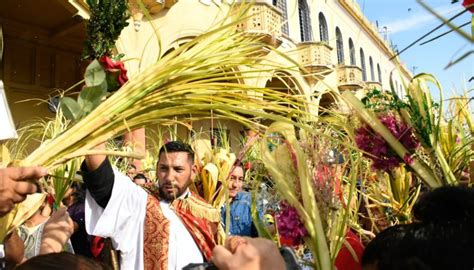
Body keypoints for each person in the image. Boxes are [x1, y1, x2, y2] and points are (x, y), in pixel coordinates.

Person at [82, 141, 223, 270]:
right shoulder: (139, 200)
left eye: (178, 169)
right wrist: (96, 132)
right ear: (156, 168)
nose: (169, 177)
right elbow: (101, 180)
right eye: (164, 168)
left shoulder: (205, 212)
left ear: (193, 172)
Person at [221, 162, 260, 237]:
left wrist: (278, 225)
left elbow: (262, 229)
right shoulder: (210, 202)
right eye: (231, 178)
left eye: (240, 179)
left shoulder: (248, 201)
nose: (235, 184)